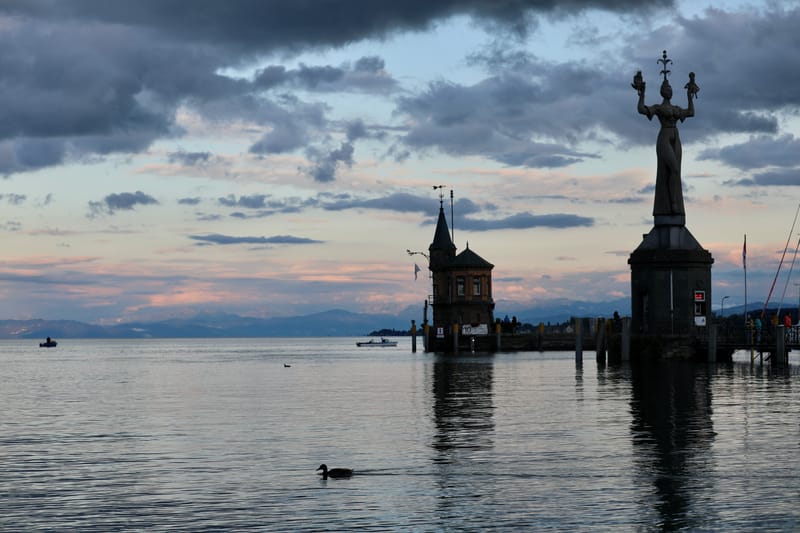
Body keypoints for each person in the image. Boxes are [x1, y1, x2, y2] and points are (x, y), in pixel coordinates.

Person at [633, 55, 696, 218]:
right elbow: (641, 109)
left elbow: (691, 113)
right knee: (672, 169)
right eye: (665, 87)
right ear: (662, 91)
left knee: (676, 171)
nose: (668, 89)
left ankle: (673, 202)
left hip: (675, 137)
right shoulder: (658, 108)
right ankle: (672, 204)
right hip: (664, 137)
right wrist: (641, 93)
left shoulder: (675, 108)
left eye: (669, 88)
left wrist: (690, 95)